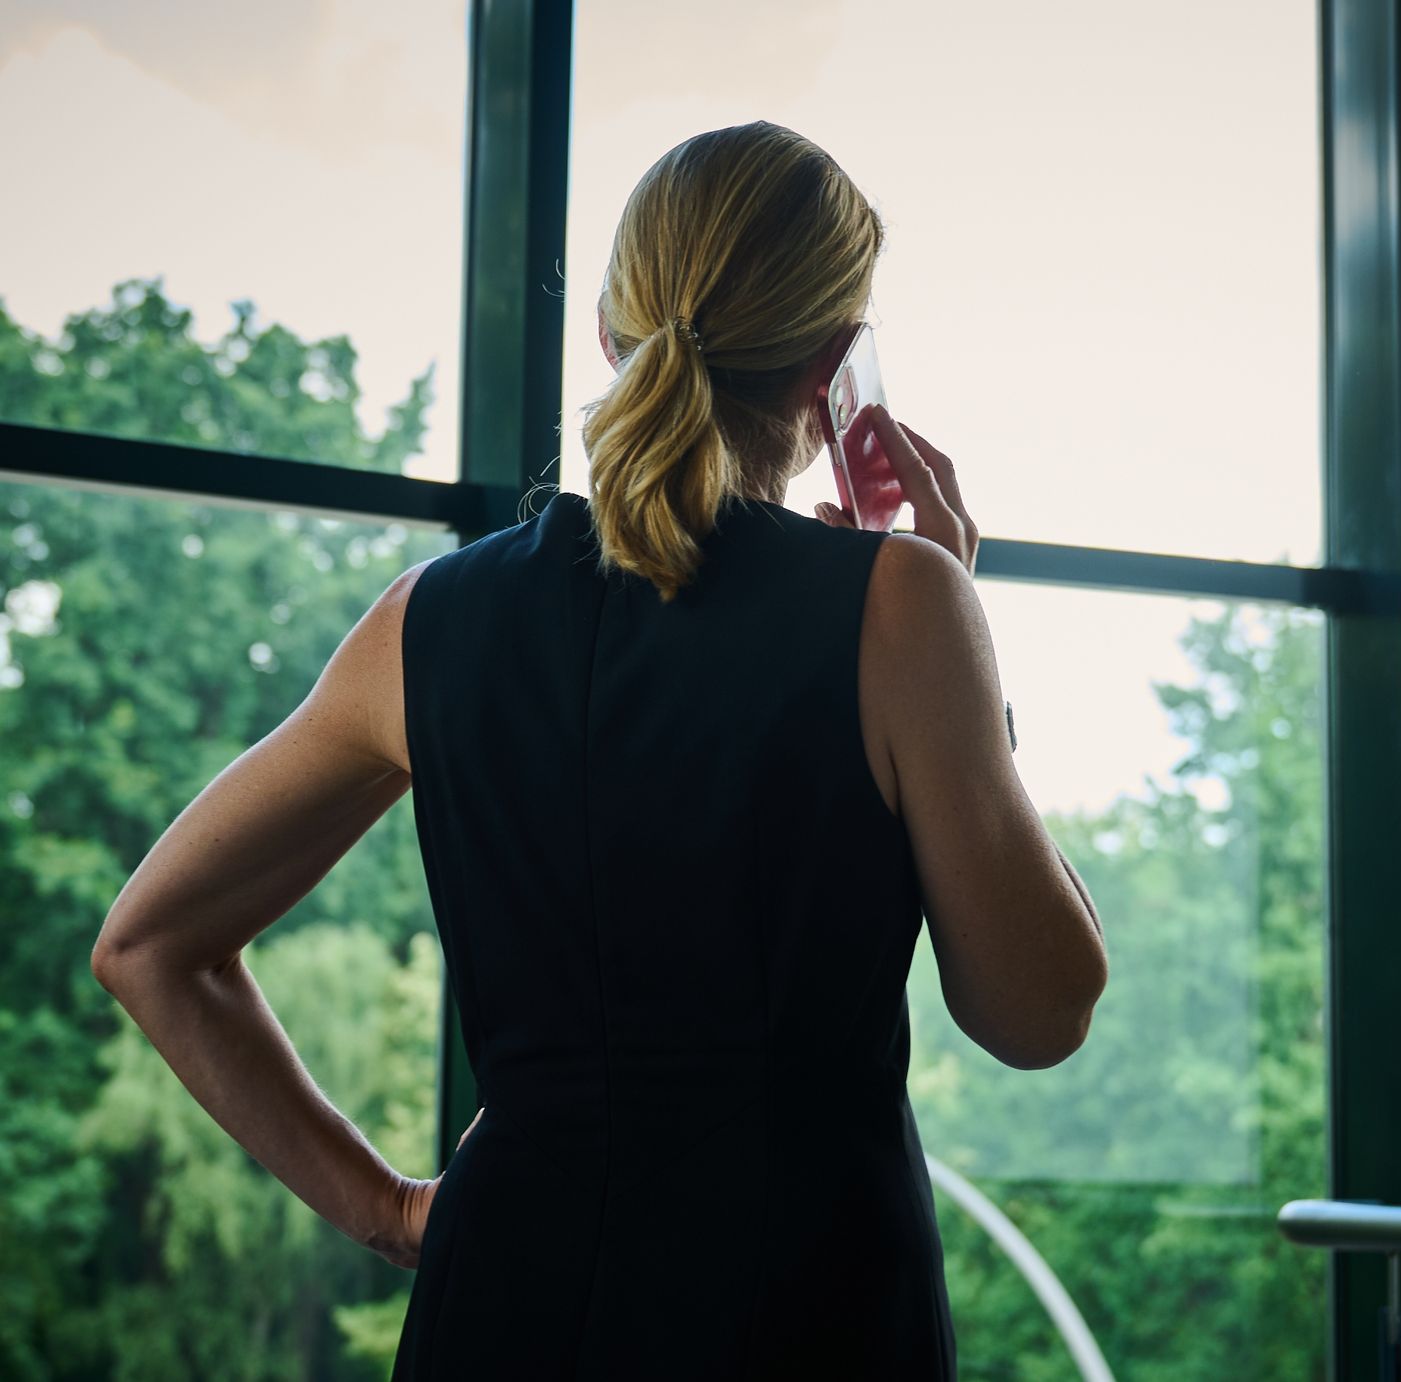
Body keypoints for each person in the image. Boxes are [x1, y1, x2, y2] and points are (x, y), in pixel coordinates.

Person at [87, 119, 1107, 1380]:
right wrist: (962, 640)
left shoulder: (429, 617)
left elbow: (146, 944)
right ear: (839, 367)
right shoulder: (898, 604)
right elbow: (1036, 1011)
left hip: (498, 1308)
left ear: (609, 338)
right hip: (806, 1314)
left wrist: (391, 1209)